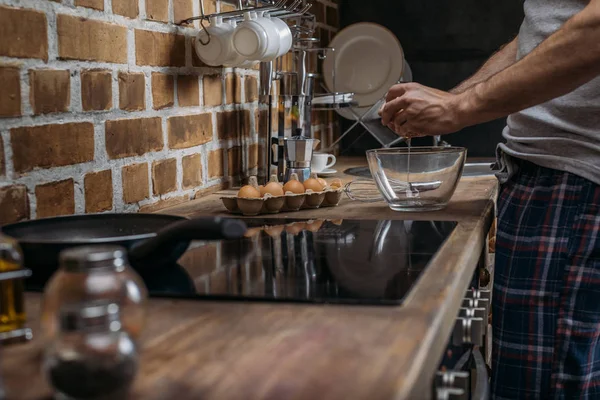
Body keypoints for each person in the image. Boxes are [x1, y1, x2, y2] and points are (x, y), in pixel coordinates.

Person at [380, 0, 600, 398]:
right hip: (557, 183)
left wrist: (460, 107)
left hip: (574, 188)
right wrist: (453, 98)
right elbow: (544, 31)